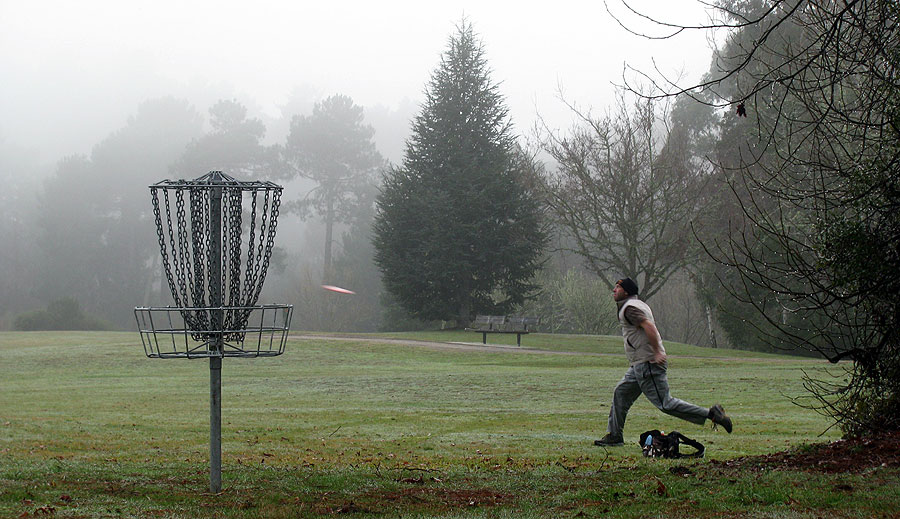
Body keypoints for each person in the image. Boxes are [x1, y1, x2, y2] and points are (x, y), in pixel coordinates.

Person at [594, 277, 732, 447]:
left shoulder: (630, 308)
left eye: (618, 287)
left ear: (627, 292)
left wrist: (657, 352)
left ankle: (711, 414)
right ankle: (615, 436)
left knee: (666, 404)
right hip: (639, 365)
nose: (614, 290)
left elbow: (649, 327)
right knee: (621, 393)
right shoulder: (637, 305)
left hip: (648, 364)